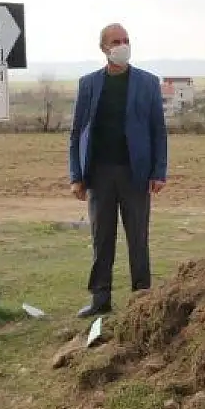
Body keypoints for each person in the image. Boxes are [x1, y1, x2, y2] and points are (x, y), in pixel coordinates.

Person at [68, 23, 168, 318]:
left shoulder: (148, 83)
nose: (122, 45)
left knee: (138, 237)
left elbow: (158, 131)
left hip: (135, 174)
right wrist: (76, 176)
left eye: (126, 40)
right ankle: (101, 299)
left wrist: (159, 171)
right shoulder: (88, 84)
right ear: (104, 48)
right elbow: (76, 133)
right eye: (116, 41)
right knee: (102, 238)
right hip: (98, 174)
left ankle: (142, 297)